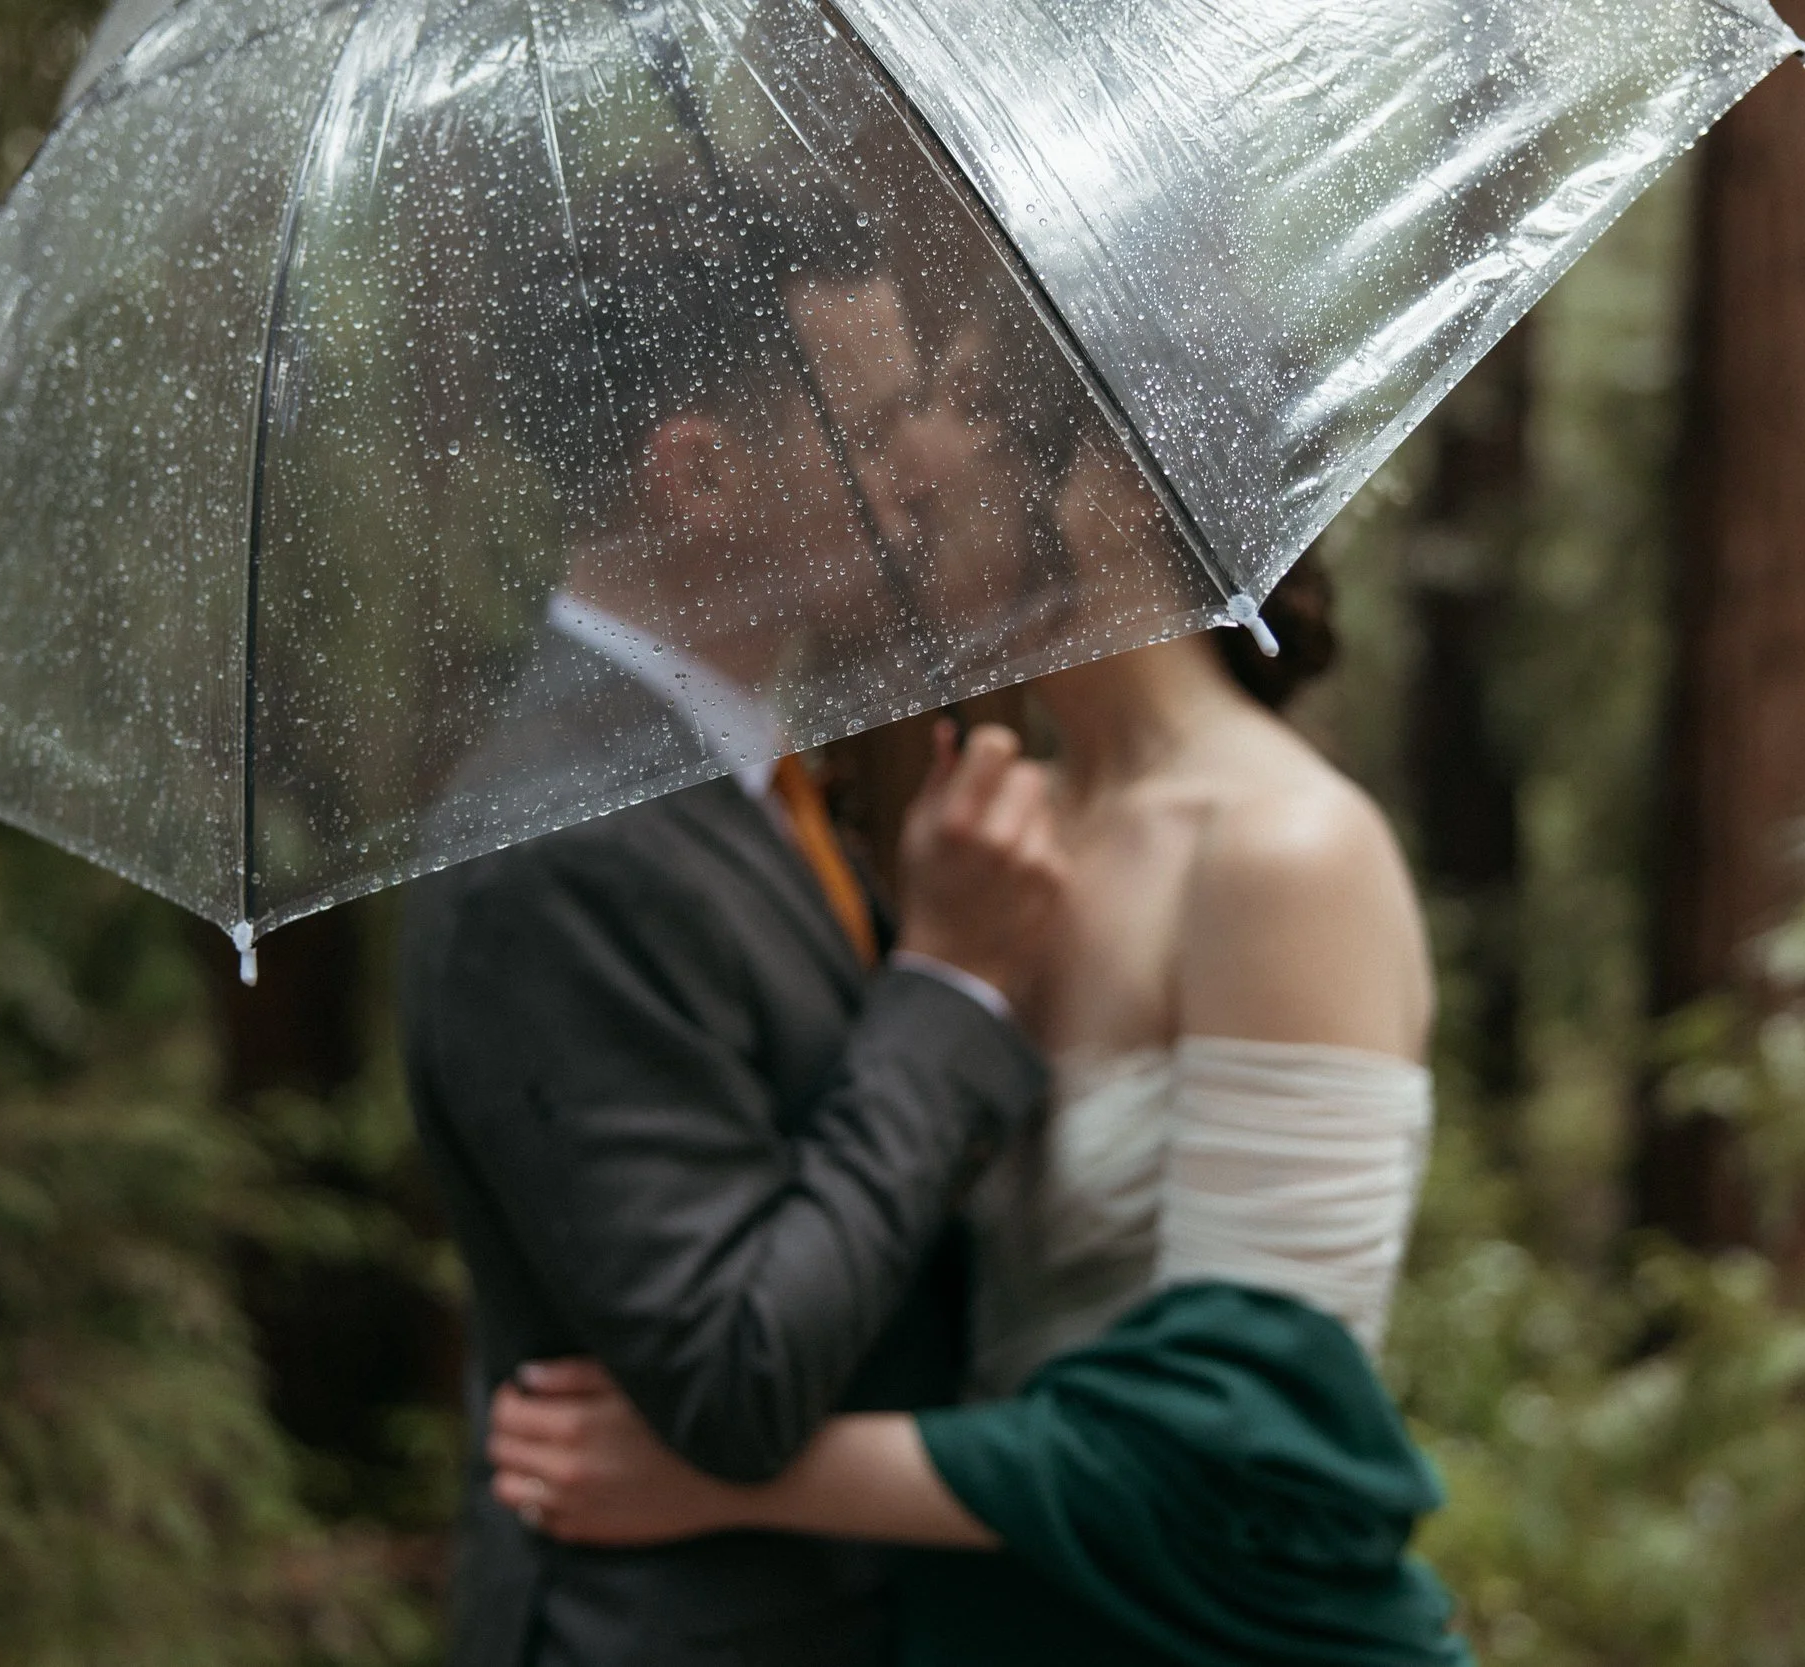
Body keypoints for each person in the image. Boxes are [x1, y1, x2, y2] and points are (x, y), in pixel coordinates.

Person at [481, 435, 1474, 1666]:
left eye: (953, 398)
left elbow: (1243, 1447)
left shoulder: (1286, 850)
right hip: (987, 1623)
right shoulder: (1000, 844)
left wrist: (735, 1476)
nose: (902, 462)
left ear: (1110, 482)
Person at [396, 181, 1071, 1667]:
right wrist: (950, 980)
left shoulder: (712, 769)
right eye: (883, 422)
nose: (927, 469)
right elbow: (736, 1366)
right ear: (697, 479)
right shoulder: (555, 848)